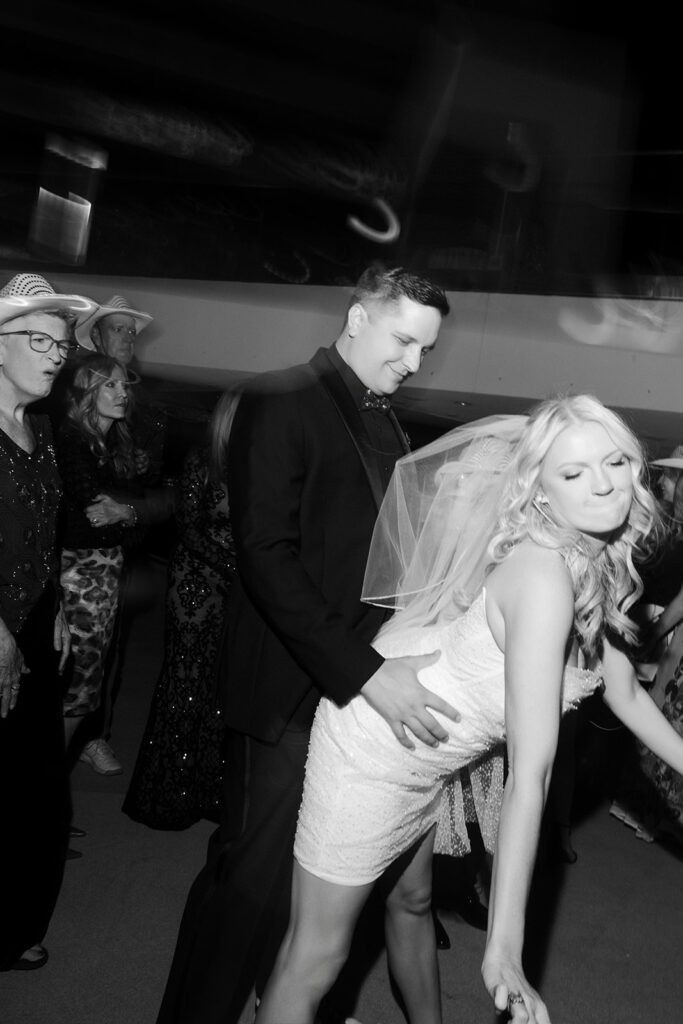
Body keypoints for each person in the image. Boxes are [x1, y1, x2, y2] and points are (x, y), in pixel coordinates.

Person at [255, 394, 683, 1024]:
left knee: (412, 902)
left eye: (615, 461)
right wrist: (505, 951)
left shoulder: (599, 555)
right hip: (374, 747)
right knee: (315, 956)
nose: (604, 485)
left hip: (434, 749)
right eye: (573, 473)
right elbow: (531, 773)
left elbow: (623, 692)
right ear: (540, 493)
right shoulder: (542, 579)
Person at [156, 265, 458, 1024]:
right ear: (356, 317)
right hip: (290, 687)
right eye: (403, 340)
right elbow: (265, 556)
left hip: (354, 691)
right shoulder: (280, 397)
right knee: (248, 884)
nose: (413, 362)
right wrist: (367, 673)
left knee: (311, 882)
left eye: (425, 350)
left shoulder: (387, 420)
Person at [0, 272, 95, 971]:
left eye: (62, 345)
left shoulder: (40, 429)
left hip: (32, 625)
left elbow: (42, 533)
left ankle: (14, 921)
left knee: (36, 793)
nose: (57, 355)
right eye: (40, 340)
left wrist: (55, 605)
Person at [122, 390, 239, 829]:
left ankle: (207, 792)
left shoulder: (257, 463)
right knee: (185, 682)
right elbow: (189, 528)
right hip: (194, 586)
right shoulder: (202, 459)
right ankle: (167, 795)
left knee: (220, 686)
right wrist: (239, 570)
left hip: (236, 590)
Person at [73, 295, 173, 775]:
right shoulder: (66, 400)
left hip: (123, 553)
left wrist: (129, 510)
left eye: (133, 331)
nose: (129, 338)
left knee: (108, 653)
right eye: (119, 329)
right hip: (73, 556)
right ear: (95, 336)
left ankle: (93, 735)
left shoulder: (145, 410)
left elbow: (161, 492)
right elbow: (77, 496)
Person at [57, 354, 145, 772]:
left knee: (88, 681)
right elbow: (96, 519)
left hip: (108, 574)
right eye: (110, 385)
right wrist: (129, 514)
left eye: (124, 385)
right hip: (79, 576)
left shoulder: (118, 445)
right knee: (76, 684)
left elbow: (130, 522)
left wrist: (126, 513)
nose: (122, 392)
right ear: (87, 391)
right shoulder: (72, 440)